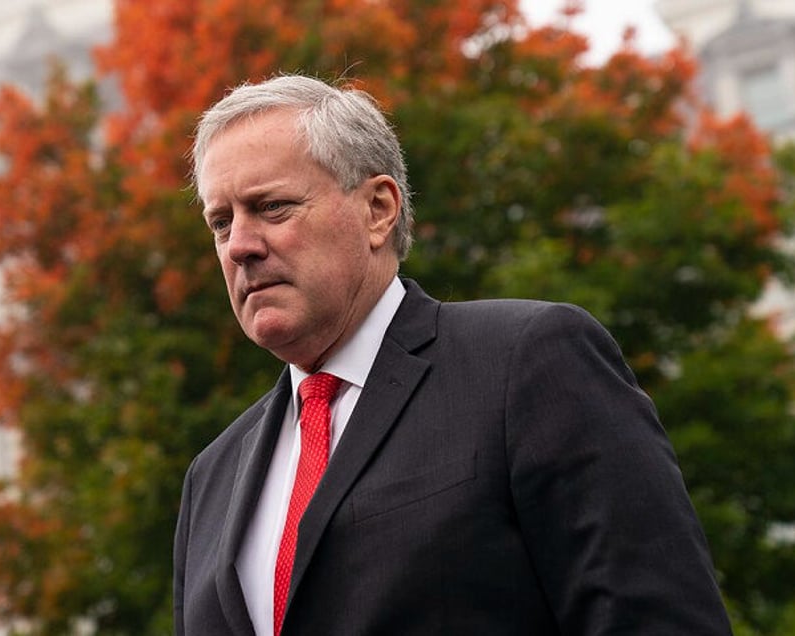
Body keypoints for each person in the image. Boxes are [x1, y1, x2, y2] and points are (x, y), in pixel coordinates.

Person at [174, 74, 732, 636]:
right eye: (221, 223)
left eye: (271, 207)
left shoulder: (525, 364)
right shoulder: (211, 477)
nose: (240, 245)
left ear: (378, 209)